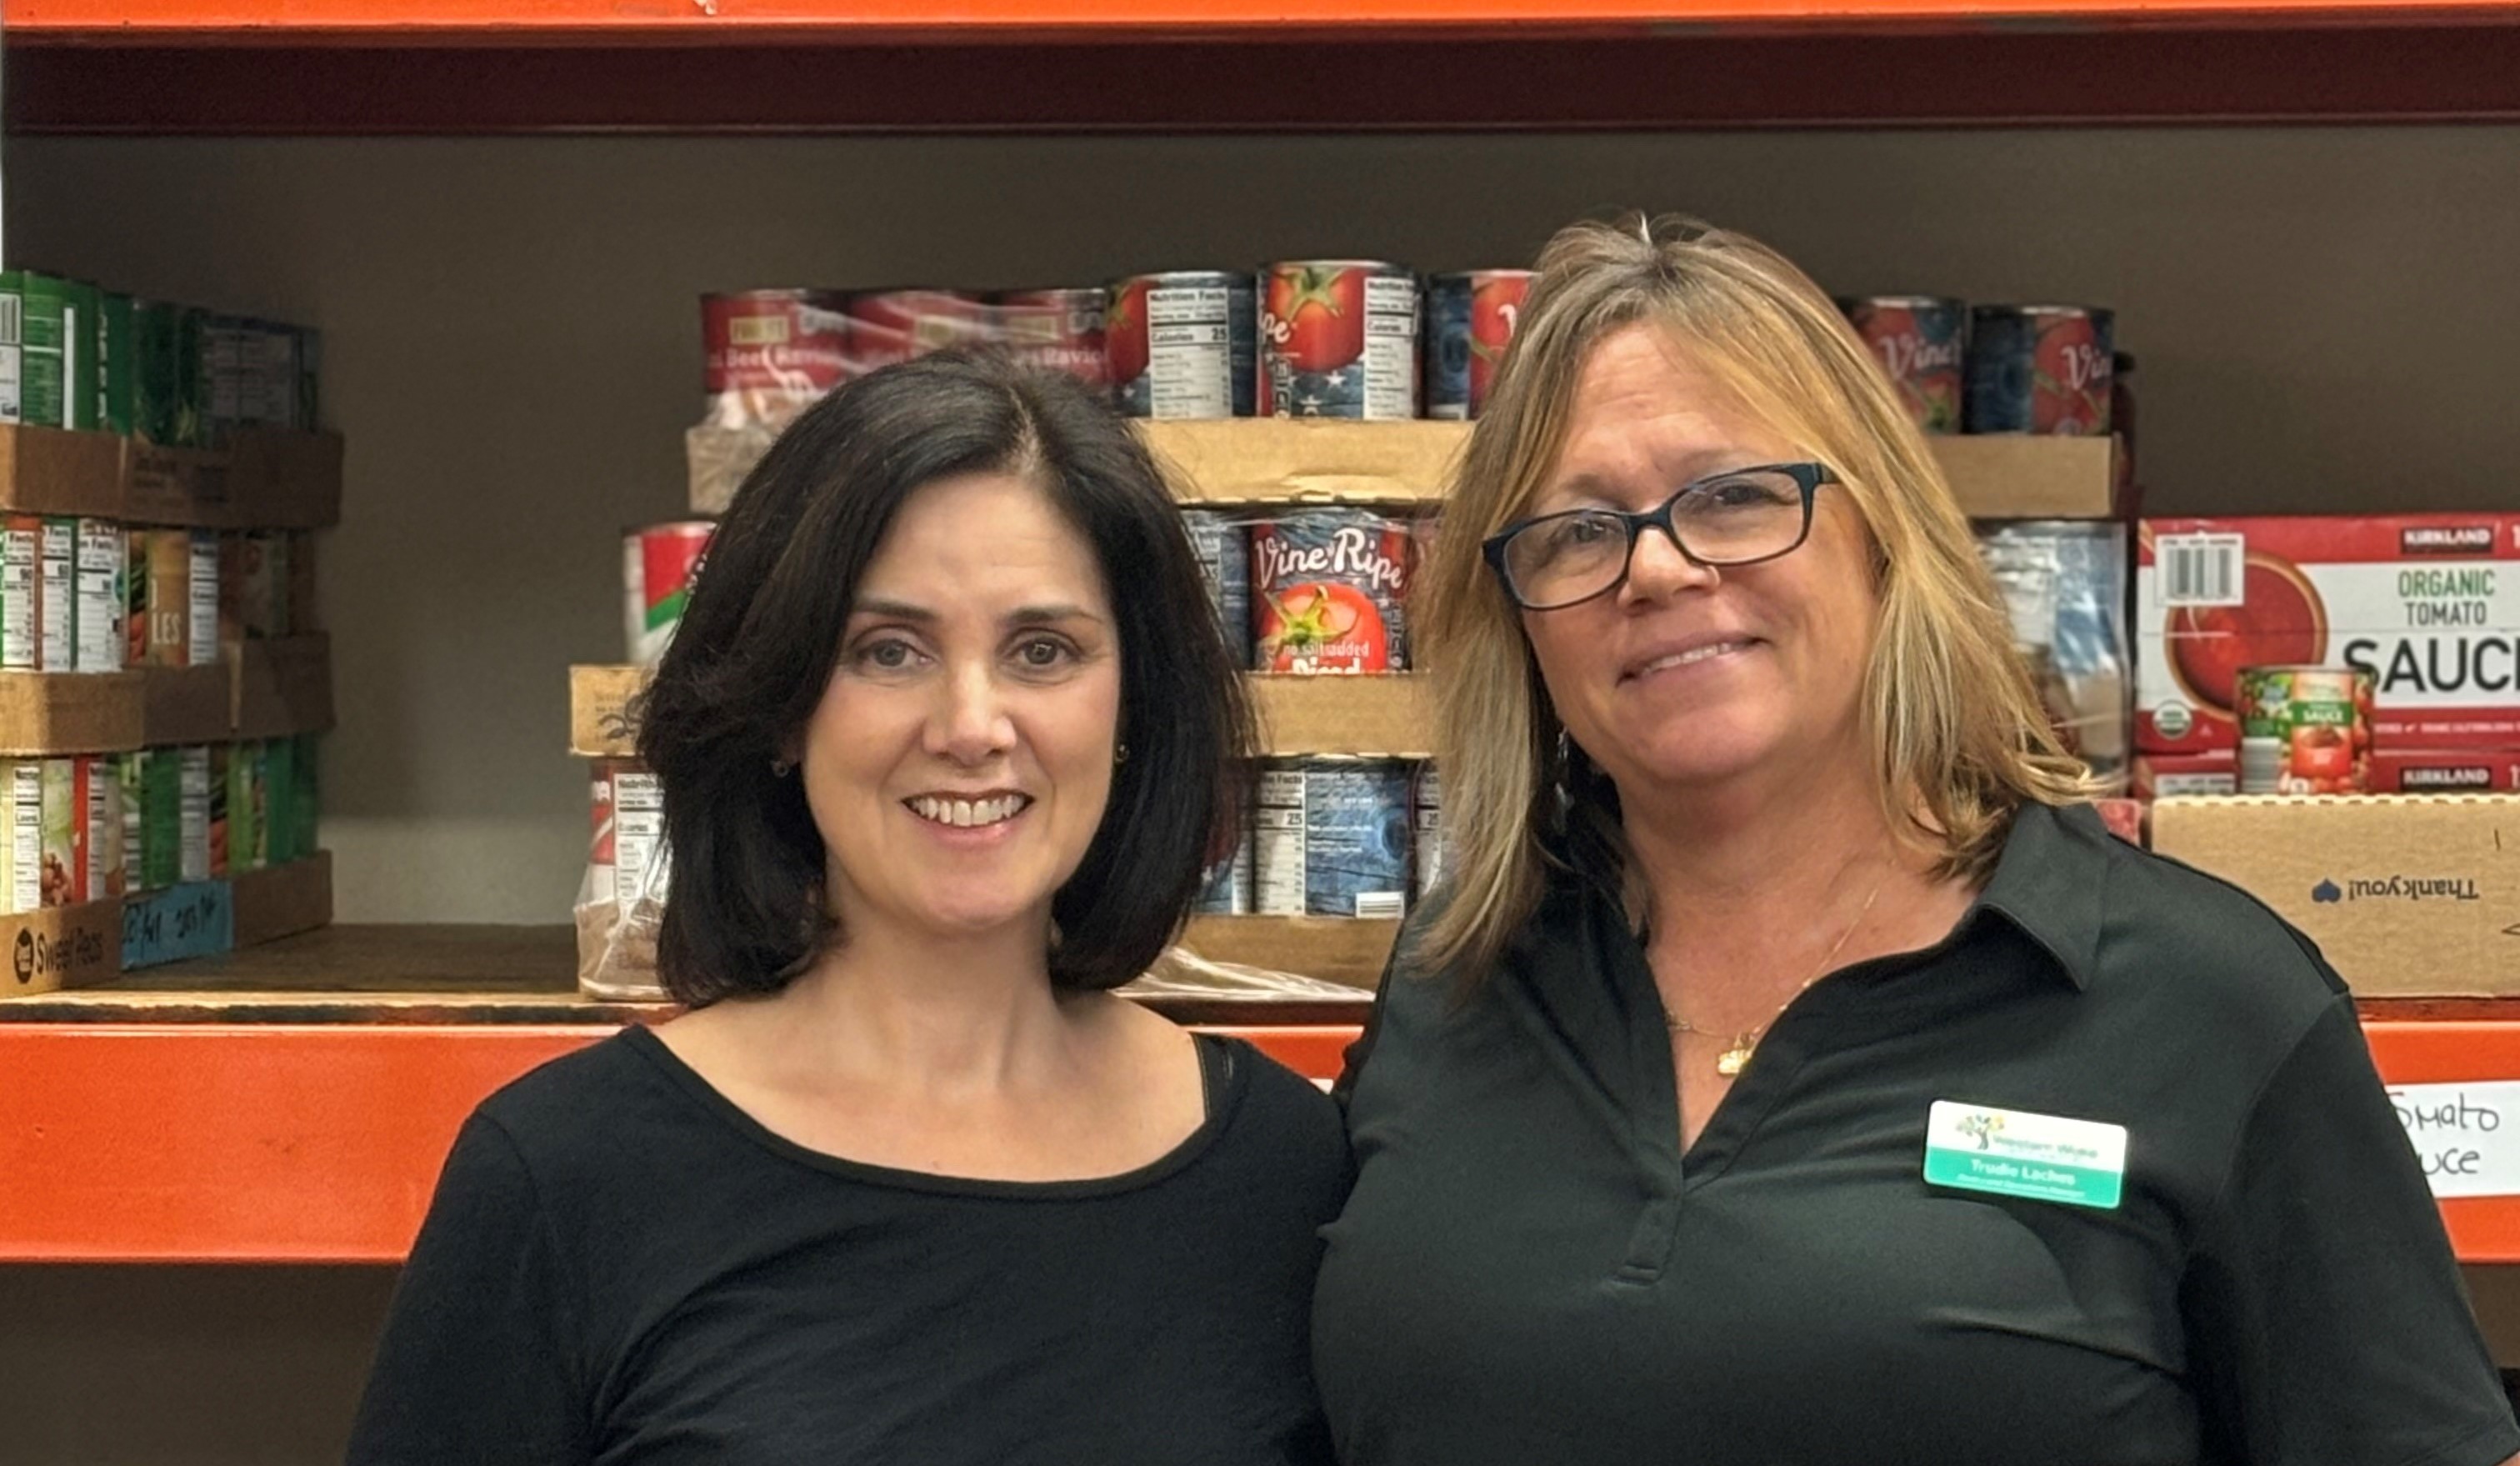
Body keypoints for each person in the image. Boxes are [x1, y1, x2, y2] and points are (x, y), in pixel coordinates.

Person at [1311, 214, 2520, 1465]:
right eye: (1576, 532)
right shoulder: (1455, 980)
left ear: (1883, 535)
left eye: (1732, 497)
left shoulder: (2204, 1001)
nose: (1658, 570)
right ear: (1516, 622)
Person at [348, 351, 1348, 1464]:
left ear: (1131, 707)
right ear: (783, 708)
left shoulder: (1286, 1170)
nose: (973, 724)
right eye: (889, 651)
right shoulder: (564, 1178)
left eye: (1042, 650)